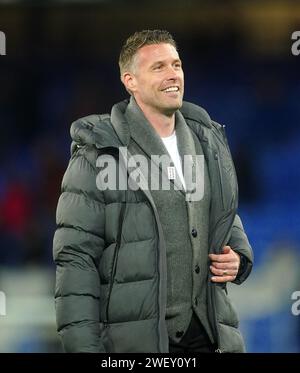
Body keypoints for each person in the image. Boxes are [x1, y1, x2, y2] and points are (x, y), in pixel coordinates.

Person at [53, 29, 253, 353]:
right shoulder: (98, 155)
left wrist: (240, 257)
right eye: (158, 67)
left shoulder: (207, 142)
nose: (173, 74)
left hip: (210, 337)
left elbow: (224, 213)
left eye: (176, 64)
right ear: (130, 81)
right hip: (136, 345)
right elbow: (76, 261)